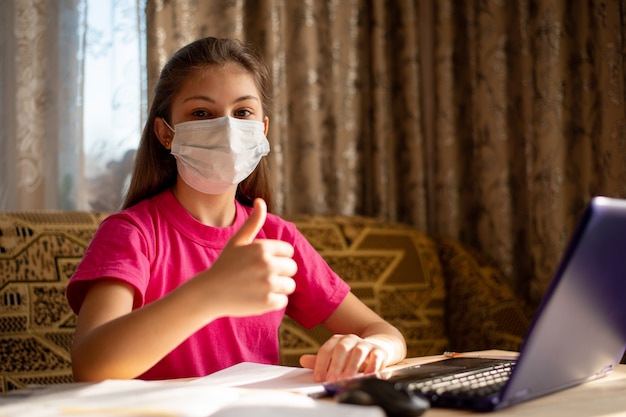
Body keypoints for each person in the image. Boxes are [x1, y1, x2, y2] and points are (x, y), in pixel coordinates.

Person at [67, 36, 407, 383]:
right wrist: (210, 292)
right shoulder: (132, 234)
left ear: (262, 130)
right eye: (202, 113)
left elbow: (382, 330)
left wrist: (377, 347)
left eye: (242, 112)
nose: (227, 129)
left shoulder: (277, 237)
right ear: (165, 133)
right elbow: (91, 367)